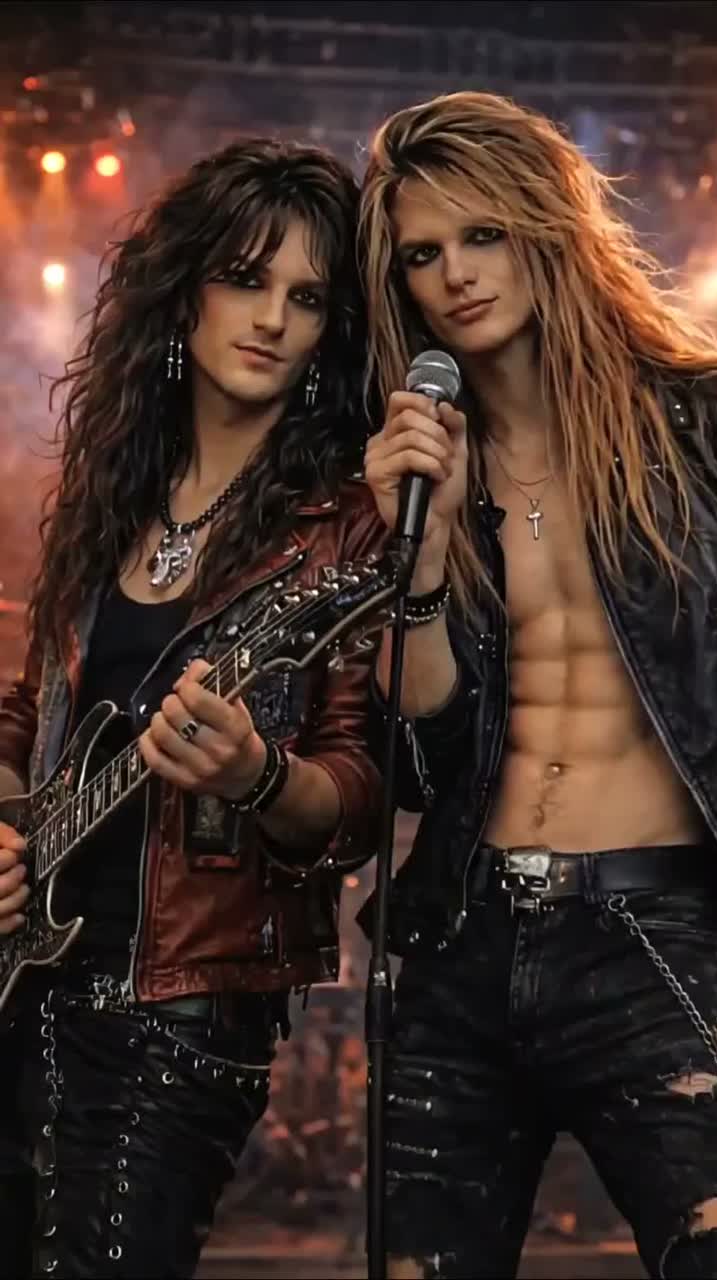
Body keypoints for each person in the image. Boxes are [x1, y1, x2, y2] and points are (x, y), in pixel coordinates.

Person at [359, 90, 717, 1279]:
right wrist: (420, 565)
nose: (456, 273)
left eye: (484, 233)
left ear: (548, 225)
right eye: (423, 253)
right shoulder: (421, 470)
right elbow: (416, 765)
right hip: (463, 938)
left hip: (661, 931)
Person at [0, 138, 386, 1278]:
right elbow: (25, 715)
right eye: (245, 278)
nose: (271, 318)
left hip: (180, 1011)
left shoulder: (349, 526)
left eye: (305, 298)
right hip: (28, 978)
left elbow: (360, 793)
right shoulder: (111, 496)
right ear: (184, 291)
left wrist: (257, 776)